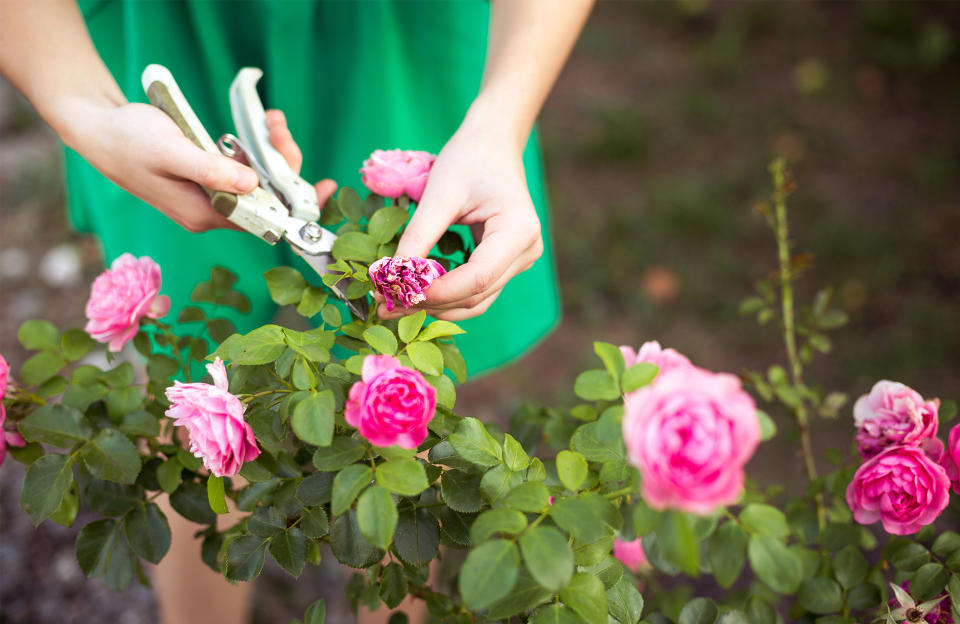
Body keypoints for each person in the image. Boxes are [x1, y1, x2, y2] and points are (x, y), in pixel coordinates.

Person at [0, 1, 594, 622]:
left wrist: (500, 119)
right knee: (193, 401)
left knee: (406, 401)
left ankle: (395, 603)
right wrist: (86, 110)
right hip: (176, 25)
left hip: (395, 40)